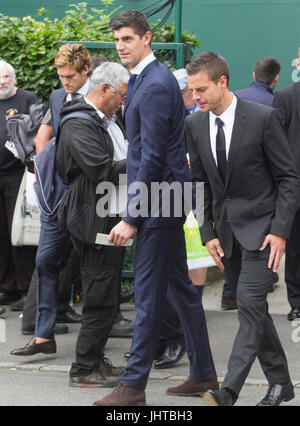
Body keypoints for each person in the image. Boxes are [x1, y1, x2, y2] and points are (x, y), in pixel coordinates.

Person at [93, 10, 218, 407]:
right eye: (117, 40)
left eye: (128, 38)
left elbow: (149, 156)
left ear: (147, 39)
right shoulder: (148, 80)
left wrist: (133, 216)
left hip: (159, 202)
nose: (121, 46)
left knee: (147, 294)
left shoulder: (155, 83)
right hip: (164, 197)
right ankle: (202, 373)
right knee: (180, 289)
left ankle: (132, 387)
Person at [185, 52, 297, 406]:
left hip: (264, 231)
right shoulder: (195, 124)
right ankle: (281, 384)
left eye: (201, 89)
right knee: (254, 311)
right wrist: (208, 233)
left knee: (248, 302)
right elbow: (198, 183)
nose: (195, 97)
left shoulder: (263, 117)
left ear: (222, 81)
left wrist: (280, 230)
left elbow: (288, 178)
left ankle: (228, 391)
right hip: (226, 234)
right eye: (191, 90)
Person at [10, 44, 91, 358]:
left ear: (86, 71)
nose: (65, 82)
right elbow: (46, 135)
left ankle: (100, 335)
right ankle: (43, 336)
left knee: (96, 267)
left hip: (89, 198)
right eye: (60, 76)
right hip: (56, 198)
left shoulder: (102, 94)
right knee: (45, 262)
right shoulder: (57, 98)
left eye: (70, 76)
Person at [56, 61, 130, 388]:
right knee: (99, 294)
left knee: (107, 292)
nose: (122, 102)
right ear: (104, 89)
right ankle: (83, 369)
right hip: (93, 219)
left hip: (107, 215)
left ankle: (95, 360)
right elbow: (101, 170)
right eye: (120, 96)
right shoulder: (78, 124)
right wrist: (145, 160)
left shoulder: (106, 120)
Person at [221, 56, 282, 310]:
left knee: (234, 244)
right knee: (260, 241)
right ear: (275, 79)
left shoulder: (235, 99)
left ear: (254, 76)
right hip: (263, 191)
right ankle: (258, 283)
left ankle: (229, 293)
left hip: (231, 190)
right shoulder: (276, 104)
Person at [0, 60, 37, 309]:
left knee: (21, 233)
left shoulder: (28, 99)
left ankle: (26, 289)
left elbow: (38, 131)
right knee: (1, 234)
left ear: (13, 77)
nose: (2, 82)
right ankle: (6, 287)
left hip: (17, 175)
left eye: (5, 76)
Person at [273, 47, 300, 322]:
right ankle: (297, 303)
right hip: (295, 189)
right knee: (295, 250)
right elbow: (276, 143)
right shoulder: (285, 97)